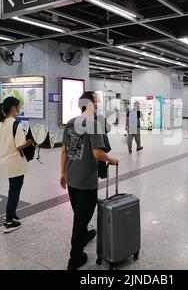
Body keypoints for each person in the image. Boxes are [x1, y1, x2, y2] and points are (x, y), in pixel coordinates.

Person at [60, 91, 119, 270]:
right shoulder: (94, 124)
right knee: (80, 220)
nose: (98, 105)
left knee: (79, 215)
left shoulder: (70, 123)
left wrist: (62, 174)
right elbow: (97, 153)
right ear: (90, 104)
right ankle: (75, 258)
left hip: (71, 178)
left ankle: (84, 235)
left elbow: (64, 150)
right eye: (96, 102)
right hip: (86, 182)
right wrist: (112, 160)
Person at [0, 97, 33, 233]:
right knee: (14, 191)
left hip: (4, 159)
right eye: (18, 107)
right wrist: (31, 141)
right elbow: (19, 145)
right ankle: (9, 222)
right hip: (14, 161)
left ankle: (12, 211)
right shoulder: (15, 124)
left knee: (13, 188)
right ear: (13, 108)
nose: (19, 109)